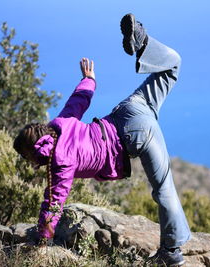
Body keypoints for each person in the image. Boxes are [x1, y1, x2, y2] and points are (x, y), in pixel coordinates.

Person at [13, 13, 190, 266]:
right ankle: (143, 42)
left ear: (32, 152)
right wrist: (89, 79)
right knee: (173, 65)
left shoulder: (59, 162)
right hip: (129, 109)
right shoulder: (59, 124)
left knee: (164, 188)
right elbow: (77, 103)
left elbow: (54, 201)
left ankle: (171, 254)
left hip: (134, 136)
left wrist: (42, 240)